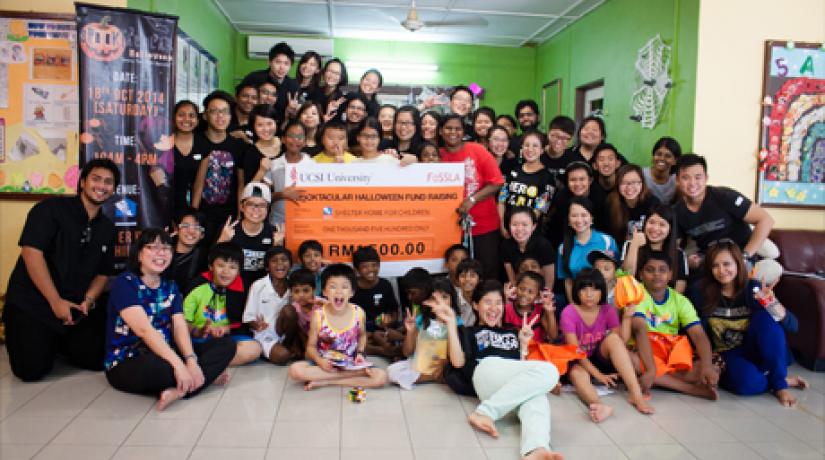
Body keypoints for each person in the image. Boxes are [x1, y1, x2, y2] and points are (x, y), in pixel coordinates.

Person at [3, 159, 119, 381]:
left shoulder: (107, 228)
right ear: (83, 182)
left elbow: (104, 272)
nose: (101, 186)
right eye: (96, 179)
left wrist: (89, 300)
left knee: (96, 360)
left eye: (108, 182)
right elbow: (31, 253)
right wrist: (55, 301)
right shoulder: (49, 210)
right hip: (34, 304)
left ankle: (60, 342)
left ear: (113, 189)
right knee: (31, 371)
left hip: (75, 307)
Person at [104, 229, 235, 410]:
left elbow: (179, 325)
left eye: (166, 248)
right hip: (130, 360)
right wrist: (179, 366)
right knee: (160, 369)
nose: (161, 253)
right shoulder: (125, 283)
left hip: (168, 352)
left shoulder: (170, 286)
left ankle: (180, 390)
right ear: (139, 253)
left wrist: (190, 360)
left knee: (226, 345)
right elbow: (144, 330)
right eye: (153, 247)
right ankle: (197, 381)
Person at [443, 280, 563, 460]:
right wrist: (451, 325)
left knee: (536, 399)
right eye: (487, 302)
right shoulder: (468, 331)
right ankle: (484, 413)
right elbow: (458, 362)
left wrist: (523, 344)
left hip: (502, 389)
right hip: (484, 370)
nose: (494, 308)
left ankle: (535, 449)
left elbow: (519, 370)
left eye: (498, 303)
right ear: (475, 305)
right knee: (550, 371)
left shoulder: (513, 333)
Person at [689, 240, 807, 406]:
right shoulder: (700, 291)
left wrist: (772, 304)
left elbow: (793, 326)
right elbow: (694, 329)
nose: (721, 271)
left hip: (756, 348)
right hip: (727, 354)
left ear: (739, 264)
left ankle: (780, 385)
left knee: (767, 318)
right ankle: (776, 379)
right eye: (715, 266)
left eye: (726, 264)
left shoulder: (754, 289)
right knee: (747, 384)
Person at [561, 269, 655, 422]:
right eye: (584, 289)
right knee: (578, 374)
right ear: (576, 291)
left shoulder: (607, 310)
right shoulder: (569, 312)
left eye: (595, 289)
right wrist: (598, 375)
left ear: (602, 291)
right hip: (577, 360)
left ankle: (636, 395)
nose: (589, 294)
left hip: (599, 357)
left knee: (613, 340)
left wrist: (626, 318)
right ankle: (599, 406)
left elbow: (621, 342)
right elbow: (576, 351)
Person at [631, 251, 719, 399]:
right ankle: (689, 388)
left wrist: (707, 367)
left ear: (671, 274)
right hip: (643, 353)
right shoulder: (636, 294)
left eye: (662, 270)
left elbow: (698, 334)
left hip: (670, 355)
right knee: (627, 359)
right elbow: (639, 329)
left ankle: (661, 380)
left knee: (713, 365)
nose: (657, 275)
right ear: (641, 274)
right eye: (650, 270)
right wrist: (651, 369)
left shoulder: (680, 300)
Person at [287, 263, 389, 389]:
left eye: (345, 287)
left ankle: (327, 382)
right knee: (295, 370)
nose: (339, 291)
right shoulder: (318, 315)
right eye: (333, 287)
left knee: (381, 377)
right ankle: (357, 374)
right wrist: (320, 361)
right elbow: (310, 348)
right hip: (324, 363)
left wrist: (361, 353)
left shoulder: (359, 312)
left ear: (352, 292)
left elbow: (362, 336)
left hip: (350, 363)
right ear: (324, 291)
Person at [673, 154, 777, 276]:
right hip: (712, 262)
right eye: (685, 178)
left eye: (698, 177)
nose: (692, 183)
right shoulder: (677, 211)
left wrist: (745, 257)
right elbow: (676, 247)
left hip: (741, 257)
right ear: (677, 180)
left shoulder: (724, 196)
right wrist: (688, 260)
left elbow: (766, 220)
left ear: (706, 178)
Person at [439, 114, 504, 280]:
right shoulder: (437, 155)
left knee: (487, 271)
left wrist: (472, 199)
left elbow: (497, 182)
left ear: (463, 131)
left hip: (484, 226)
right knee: (456, 274)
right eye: (448, 128)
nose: (453, 132)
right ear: (440, 131)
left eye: (457, 128)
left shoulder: (477, 150)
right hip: (450, 229)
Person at [184, 242, 261, 366]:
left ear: (239, 271)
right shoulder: (197, 286)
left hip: (228, 338)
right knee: (183, 346)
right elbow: (183, 322)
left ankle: (205, 365)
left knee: (254, 349)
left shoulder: (244, 288)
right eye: (221, 265)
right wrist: (199, 330)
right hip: (199, 338)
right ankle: (206, 363)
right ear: (211, 266)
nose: (226, 272)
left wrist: (225, 329)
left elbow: (243, 322)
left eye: (232, 267)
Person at [190, 90, 246, 244]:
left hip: (227, 216)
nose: (220, 116)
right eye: (214, 111)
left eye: (224, 112)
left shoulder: (238, 145)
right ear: (205, 115)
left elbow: (241, 183)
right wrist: (193, 216)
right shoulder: (195, 142)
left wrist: (240, 213)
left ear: (230, 115)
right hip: (200, 215)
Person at [388, 278, 460, 389]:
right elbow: (407, 352)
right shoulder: (422, 319)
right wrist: (410, 332)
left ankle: (438, 375)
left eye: (444, 297)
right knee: (391, 371)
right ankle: (433, 377)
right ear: (428, 301)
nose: (440, 303)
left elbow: (456, 354)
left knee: (459, 373)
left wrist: (446, 363)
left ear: (452, 300)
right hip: (418, 365)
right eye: (434, 299)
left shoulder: (457, 322)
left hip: (443, 366)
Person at [217, 182, 283, 290]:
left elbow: (278, 272)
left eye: (262, 205)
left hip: (262, 289)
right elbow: (213, 266)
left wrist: (278, 247)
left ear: (268, 209)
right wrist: (222, 241)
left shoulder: (274, 233)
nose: (256, 209)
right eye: (251, 204)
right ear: (242, 207)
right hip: (232, 287)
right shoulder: (228, 230)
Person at [557, 196, 618, 303]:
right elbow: (568, 281)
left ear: (591, 218)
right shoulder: (563, 248)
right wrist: (575, 308)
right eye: (574, 215)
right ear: (569, 220)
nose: (579, 220)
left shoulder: (607, 241)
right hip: (580, 299)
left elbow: (617, 273)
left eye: (584, 215)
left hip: (607, 299)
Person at [243, 246, 293, 365]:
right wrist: (257, 325)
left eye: (284, 260)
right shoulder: (258, 285)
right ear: (267, 267)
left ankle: (290, 345)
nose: (279, 264)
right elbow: (248, 318)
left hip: (288, 334)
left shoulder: (293, 284)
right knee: (283, 356)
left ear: (290, 265)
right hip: (266, 334)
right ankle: (275, 349)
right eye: (274, 260)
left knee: (289, 310)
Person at [622, 204, 688, 293]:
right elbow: (626, 278)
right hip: (636, 301)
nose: (655, 228)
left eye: (662, 225)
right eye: (651, 222)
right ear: (645, 223)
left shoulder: (679, 254)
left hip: (667, 304)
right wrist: (635, 245)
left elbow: (679, 290)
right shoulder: (630, 245)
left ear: (670, 229)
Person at [350, 246, 402, 358]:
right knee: (354, 342)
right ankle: (384, 351)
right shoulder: (351, 288)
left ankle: (387, 348)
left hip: (382, 331)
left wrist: (390, 320)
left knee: (382, 336)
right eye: (365, 267)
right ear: (357, 269)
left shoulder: (385, 285)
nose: (371, 270)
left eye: (374, 265)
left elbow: (394, 311)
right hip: (361, 332)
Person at [545, 161, 607, 248]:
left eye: (582, 179)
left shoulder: (599, 197)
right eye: (573, 180)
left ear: (590, 180)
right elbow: (558, 228)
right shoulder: (561, 198)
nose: (577, 184)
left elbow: (603, 226)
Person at [497, 130, 553, 224]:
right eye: (526, 145)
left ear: (542, 150)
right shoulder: (513, 171)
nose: (530, 149)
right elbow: (501, 201)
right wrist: (502, 225)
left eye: (535, 146)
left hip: (529, 230)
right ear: (522, 148)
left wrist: (522, 228)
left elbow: (540, 209)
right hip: (507, 227)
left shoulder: (548, 177)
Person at [606, 164, 661, 247]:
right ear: (617, 185)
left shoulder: (653, 203)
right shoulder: (610, 203)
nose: (629, 187)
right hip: (619, 249)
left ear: (642, 183)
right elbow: (606, 234)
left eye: (635, 182)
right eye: (624, 182)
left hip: (646, 248)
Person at [500, 207, 556, 289]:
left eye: (524, 225)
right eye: (514, 224)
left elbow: (548, 283)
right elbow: (513, 281)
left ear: (533, 226)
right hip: (521, 291)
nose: (519, 229)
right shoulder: (506, 246)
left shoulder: (544, 246)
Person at [275, 268, 324, 359]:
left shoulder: (321, 304)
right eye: (296, 291)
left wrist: (327, 307)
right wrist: (307, 349)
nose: (301, 295)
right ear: (291, 292)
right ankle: (293, 347)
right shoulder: (295, 308)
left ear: (314, 290)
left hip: (322, 339)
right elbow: (300, 331)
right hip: (306, 339)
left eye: (306, 291)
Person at [243, 42, 299, 121]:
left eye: (286, 63)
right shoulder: (254, 78)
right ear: (269, 62)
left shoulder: (293, 86)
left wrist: (293, 112)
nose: (282, 67)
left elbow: (293, 116)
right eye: (278, 62)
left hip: (280, 128)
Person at [502, 271, 558, 343]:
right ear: (516, 288)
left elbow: (553, 336)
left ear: (538, 296)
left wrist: (550, 313)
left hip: (535, 351)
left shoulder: (540, 311)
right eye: (522, 289)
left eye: (530, 292)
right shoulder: (506, 309)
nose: (524, 294)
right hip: (512, 352)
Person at [165, 209, 208, 295]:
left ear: (202, 235)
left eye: (197, 227)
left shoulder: (203, 258)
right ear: (176, 229)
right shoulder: (163, 252)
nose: (191, 231)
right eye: (185, 226)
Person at [171, 100, 201, 218]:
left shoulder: (202, 144)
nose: (186, 119)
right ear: (174, 118)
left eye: (191, 115)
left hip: (191, 207)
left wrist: (192, 215)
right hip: (164, 205)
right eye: (181, 115)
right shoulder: (164, 142)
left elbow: (199, 184)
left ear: (197, 120)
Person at [242, 104, 282, 185]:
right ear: (253, 127)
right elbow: (249, 190)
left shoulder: (286, 144)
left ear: (276, 122)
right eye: (260, 125)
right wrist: (262, 171)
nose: (266, 129)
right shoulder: (250, 153)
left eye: (269, 123)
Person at [644, 136, 681, 204]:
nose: (662, 158)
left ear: (675, 160)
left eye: (668, 156)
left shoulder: (677, 181)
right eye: (658, 154)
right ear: (653, 156)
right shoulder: (641, 176)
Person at [542, 115, 576, 189]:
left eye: (565, 138)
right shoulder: (538, 155)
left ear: (570, 140)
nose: (559, 141)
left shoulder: (573, 160)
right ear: (548, 134)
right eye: (556, 136)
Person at [455, 258, 482, 326]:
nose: (467, 279)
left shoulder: (484, 298)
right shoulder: (452, 298)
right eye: (463, 276)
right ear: (457, 280)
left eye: (472, 276)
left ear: (479, 280)